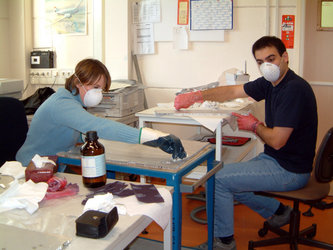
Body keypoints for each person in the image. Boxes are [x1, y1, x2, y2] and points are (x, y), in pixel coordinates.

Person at [174, 36, 318, 249]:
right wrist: (197, 96)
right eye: (260, 62)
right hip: (278, 160)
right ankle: (279, 212)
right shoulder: (271, 83)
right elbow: (232, 91)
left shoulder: (293, 89)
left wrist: (253, 125)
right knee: (229, 178)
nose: (266, 66)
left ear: (285, 57)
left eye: (271, 59)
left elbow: (277, 141)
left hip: (290, 170)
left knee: (219, 178)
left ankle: (223, 242)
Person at [16, 58, 186, 167]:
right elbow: (97, 126)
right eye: (95, 87)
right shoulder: (62, 104)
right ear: (77, 82)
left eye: (102, 89)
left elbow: (81, 132)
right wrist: (153, 137)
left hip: (51, 163)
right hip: (30, 167)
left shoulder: (72, 101)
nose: (99, 93)